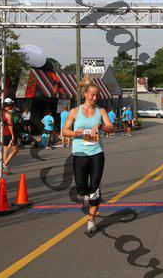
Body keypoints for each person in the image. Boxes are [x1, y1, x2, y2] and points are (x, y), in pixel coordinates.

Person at [62, 79, 114, 233]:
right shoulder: (74, 111)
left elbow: (111, 127)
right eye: (92, 95)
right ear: (85, 94)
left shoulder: (101, 111)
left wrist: (100, 126)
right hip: (80, 152)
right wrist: (75, 133)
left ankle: (91, 219)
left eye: (97, 95)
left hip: (97, 152)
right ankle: (87, 194)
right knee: (81, 188)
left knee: (95, 187)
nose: (95, 98)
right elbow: (64, 131)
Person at [1, 98, 17, 174]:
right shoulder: (10, 113)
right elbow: (10, 125)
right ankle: (5, 165)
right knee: (15, 150)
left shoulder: (2, 112)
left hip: (3, 133)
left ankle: (6, 169)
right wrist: (13, 135)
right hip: (9, 133)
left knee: (5, 151)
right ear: (10, 105)